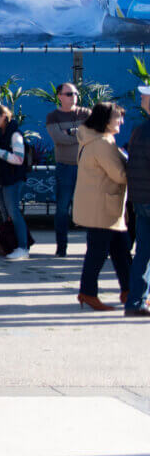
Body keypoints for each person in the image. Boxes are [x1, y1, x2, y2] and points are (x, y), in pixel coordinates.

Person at [72, 102, 131, 310]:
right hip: (102, 207)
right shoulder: (103, 143)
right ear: (105, 121)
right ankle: (88, 293)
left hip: (102, 205)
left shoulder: (94, 139)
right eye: (118, 118)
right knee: (98, 253)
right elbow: (120, 175)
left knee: (121, 251)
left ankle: (129, 291)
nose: (121, 121)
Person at [46, 83, 91, 257]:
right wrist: (79, 135)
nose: (74, 96)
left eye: (75, 93)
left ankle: (91, 249)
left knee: (87, 208)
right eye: (69, 93)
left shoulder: (86, 113)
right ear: (60, 96)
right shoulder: (53, 116)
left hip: (86, 166)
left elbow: (91, 135)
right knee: (63, 208)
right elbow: (58, 138)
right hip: (65, 167)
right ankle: (61, 247)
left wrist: (70, 132)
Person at [0, 105, 29, 261]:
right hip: (1, 177)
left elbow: (18, 159)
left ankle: (22, 247)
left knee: (14, 213)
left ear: (4, 116)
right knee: (5, 213)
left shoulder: (15, 134)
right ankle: (8, 245)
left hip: (12, 179)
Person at [124, 85, 150, 317]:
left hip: (141, 199)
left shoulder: (140, 130)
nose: (142, 98)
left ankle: (135, 301)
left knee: (142, 252)